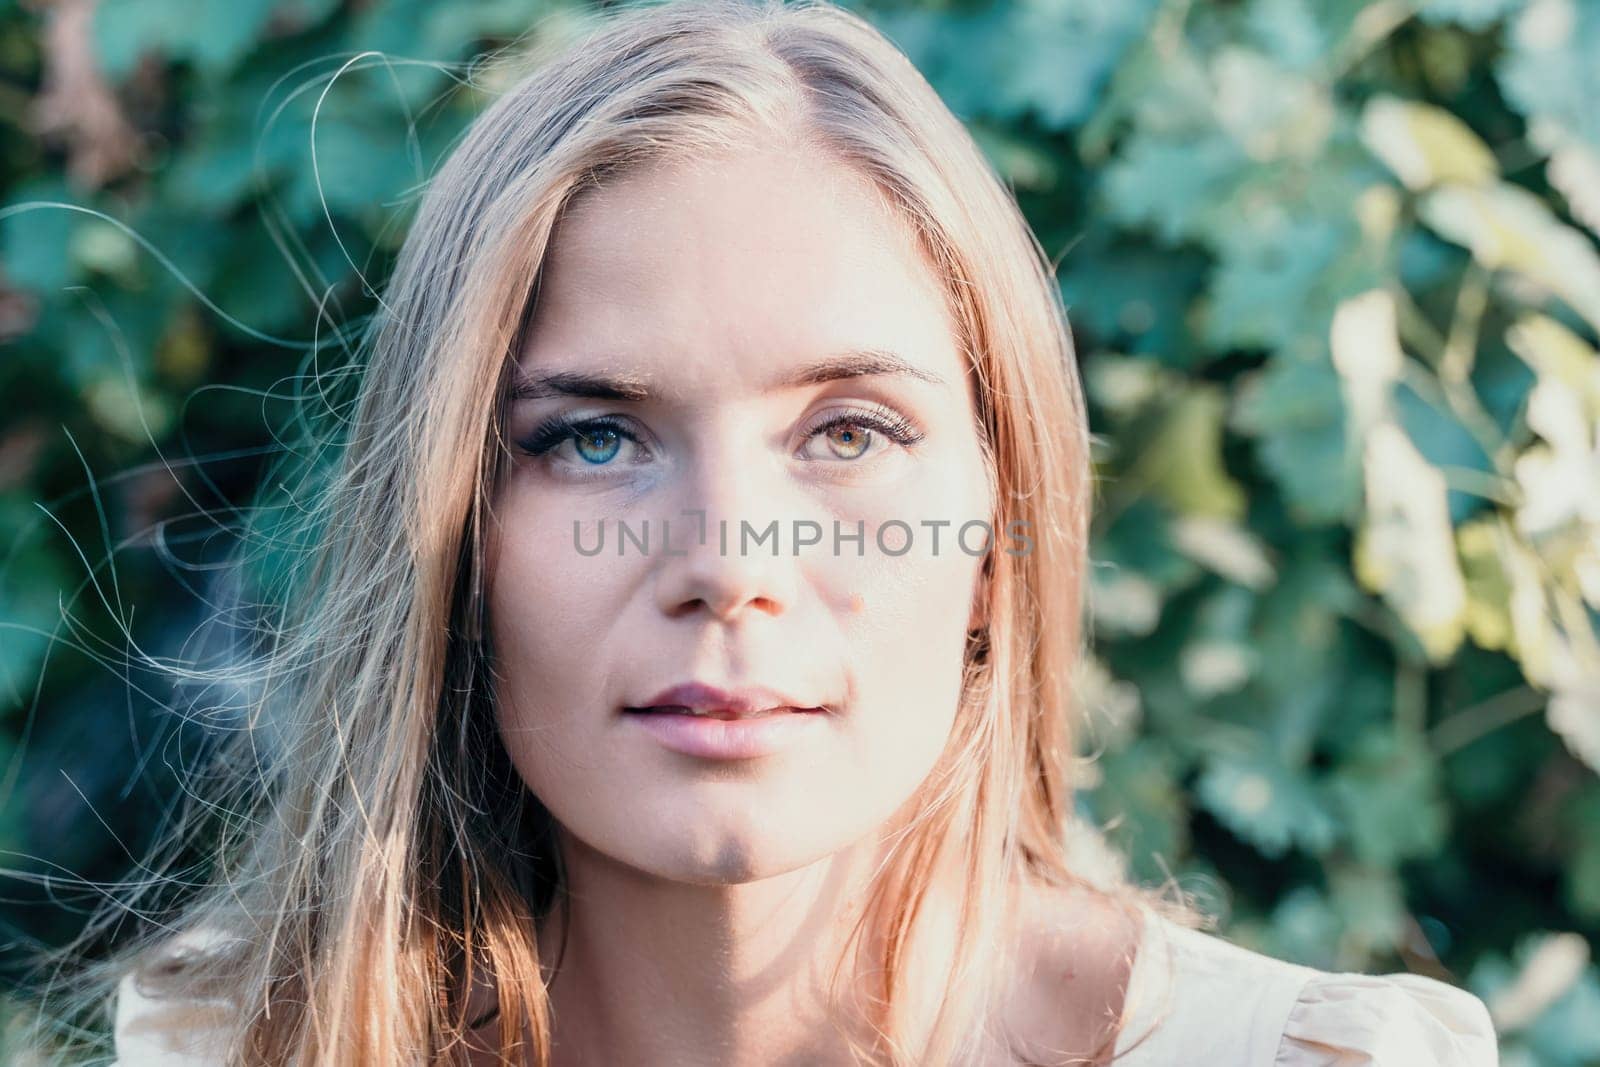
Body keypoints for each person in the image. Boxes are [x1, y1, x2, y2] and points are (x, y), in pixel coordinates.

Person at [12, 0, 1500, 1063]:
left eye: (849, 434)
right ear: (457, 540)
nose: (727, 560)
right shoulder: (245, 1052)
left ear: (997, 540)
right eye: (594, 437)